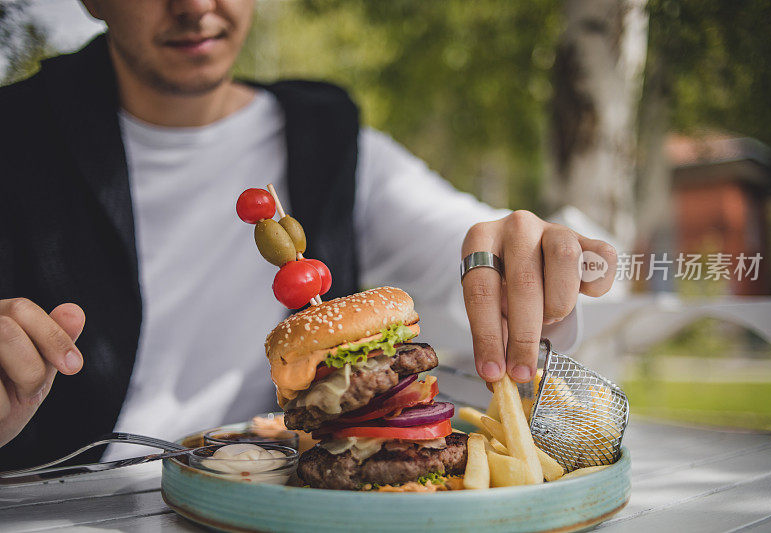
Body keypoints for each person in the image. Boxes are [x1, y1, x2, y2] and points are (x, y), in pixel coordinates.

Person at [0, 0, 616, 468]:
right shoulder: (17, 136)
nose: (194, 6)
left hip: (288, 494)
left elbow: (464, 250)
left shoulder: (330, 140)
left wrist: (531, 260)